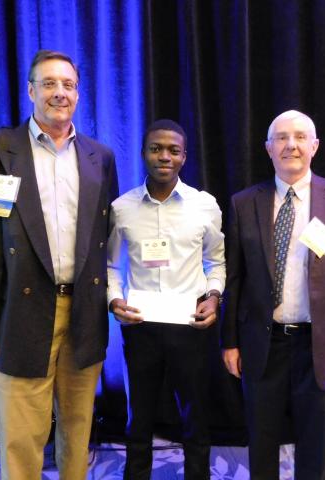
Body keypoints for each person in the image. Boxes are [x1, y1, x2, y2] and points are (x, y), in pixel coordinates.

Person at [0, 49, 118, 480]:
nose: (59, 93)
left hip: (83, 315)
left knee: (78, 434)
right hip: (18, 314)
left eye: (68, 85)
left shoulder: (100, 157)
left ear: (78, 94)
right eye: (49, 84)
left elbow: (107, 241)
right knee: (22, 439)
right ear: (30, 91)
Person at [221, 110, 325, 479]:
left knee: (318, 443)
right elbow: (234, 278)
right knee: (261, 439)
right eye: (283, 137)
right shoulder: (244, 203)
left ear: (315, 146)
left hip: (320, 343)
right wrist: (230, 342)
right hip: (263, 342)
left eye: (301, 137)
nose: (292, 145)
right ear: (268, 148)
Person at [107, 119, 225, 480]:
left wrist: (215, 297)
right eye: (156, 148)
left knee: (195, 414)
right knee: (138, 416)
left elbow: (216, 261)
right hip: (140, 325)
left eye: (173, 150)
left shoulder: (205, 205)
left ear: (184, 156)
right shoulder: (121, 208)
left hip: (189, 326)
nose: (164, 156)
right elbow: (110, 264)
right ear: (144, 154)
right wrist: (114, 301)